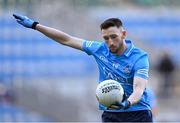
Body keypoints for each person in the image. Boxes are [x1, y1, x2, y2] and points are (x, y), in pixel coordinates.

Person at [13, 13, 153, 122]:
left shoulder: (139, 57)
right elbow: (67, 39)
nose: (110, 42)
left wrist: (127, 103)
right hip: (111, 114)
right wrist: (35, 25)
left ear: (123, 34)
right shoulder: (99, 49)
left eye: (113, 37)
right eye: (106, 38)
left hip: (137, 113)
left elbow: (139, 89)